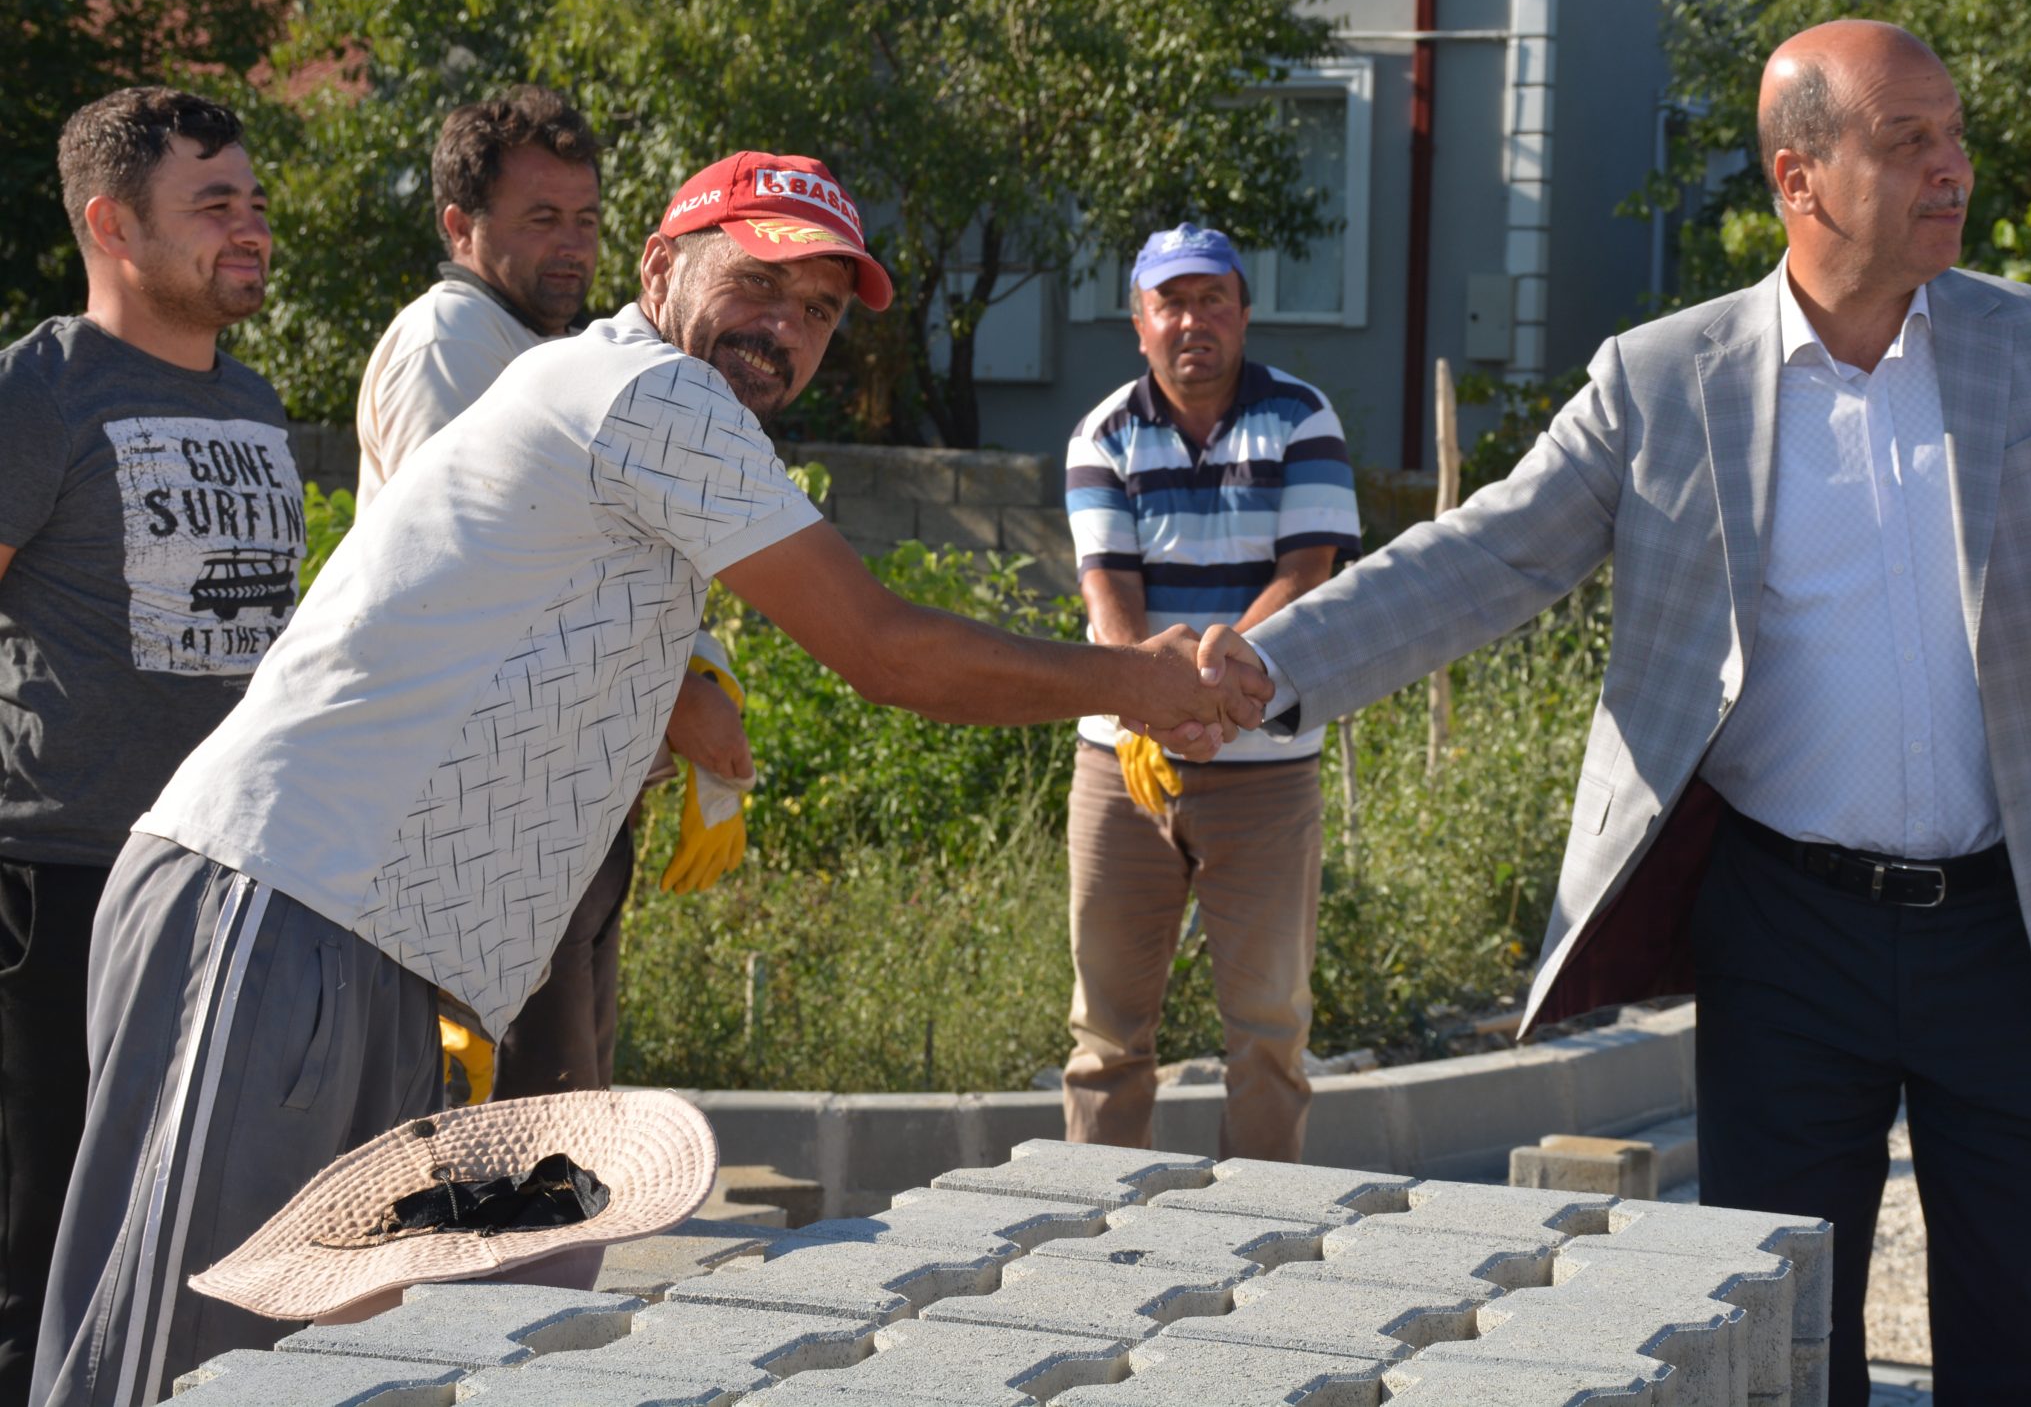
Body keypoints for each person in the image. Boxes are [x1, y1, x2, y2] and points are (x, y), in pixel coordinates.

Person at [1200, 21, 2031, 1404]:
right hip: (1786, 935)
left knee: (2028, 1331)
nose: (1953, 168)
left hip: (2014, 928)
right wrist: (1267, 668)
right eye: (1908, 141)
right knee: (1782, 1334)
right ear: (1799, 178)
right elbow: (1489, 554)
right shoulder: (1662, 378)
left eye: (1955, 134)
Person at [33, 151, 1269, 1407]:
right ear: (660, 267)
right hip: (278, 900)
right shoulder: (648, 391)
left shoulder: (646, 411)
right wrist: (1139, 680)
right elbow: (886, 652)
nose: (784, 329)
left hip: (363, 942)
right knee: (176, 1365)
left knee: (308, 1370)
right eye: (760, 282)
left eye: (819, 311)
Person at [353, 87, 750, 1102]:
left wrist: (692, 678)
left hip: (556, 808)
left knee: (564, 1116)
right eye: (541, 219)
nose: (572, 246)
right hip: (479, 823)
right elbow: (482, 581)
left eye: (586, 218)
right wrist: (677, 697)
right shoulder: (453, 340)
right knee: (523, 1144)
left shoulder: (552, 351)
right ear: (460, 226)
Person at [0, 89, 303, 1407]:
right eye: (214, 202)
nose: (251, 226)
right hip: (61, 877)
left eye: (254, 199)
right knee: (40, 1247)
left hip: (225, 881)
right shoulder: (44, 386)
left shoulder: (256, 398)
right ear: (113, 225)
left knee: (193, 1238)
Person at [1060, 225, 1360, 1161]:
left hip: (1268, 767)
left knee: (1270, 1031)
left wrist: (1213, 685)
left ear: (1243, 312)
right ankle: (1093, 1221)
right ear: (1139, 323)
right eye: (1172, 303)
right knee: (1106, 1034)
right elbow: (1109, 597)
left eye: (1212, 299)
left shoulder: (1303, 419)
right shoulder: (1103, 433)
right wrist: (1159, 707)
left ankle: (1259, 1227)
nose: (1193, 320)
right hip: (1125, 764)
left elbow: (1307, 572)